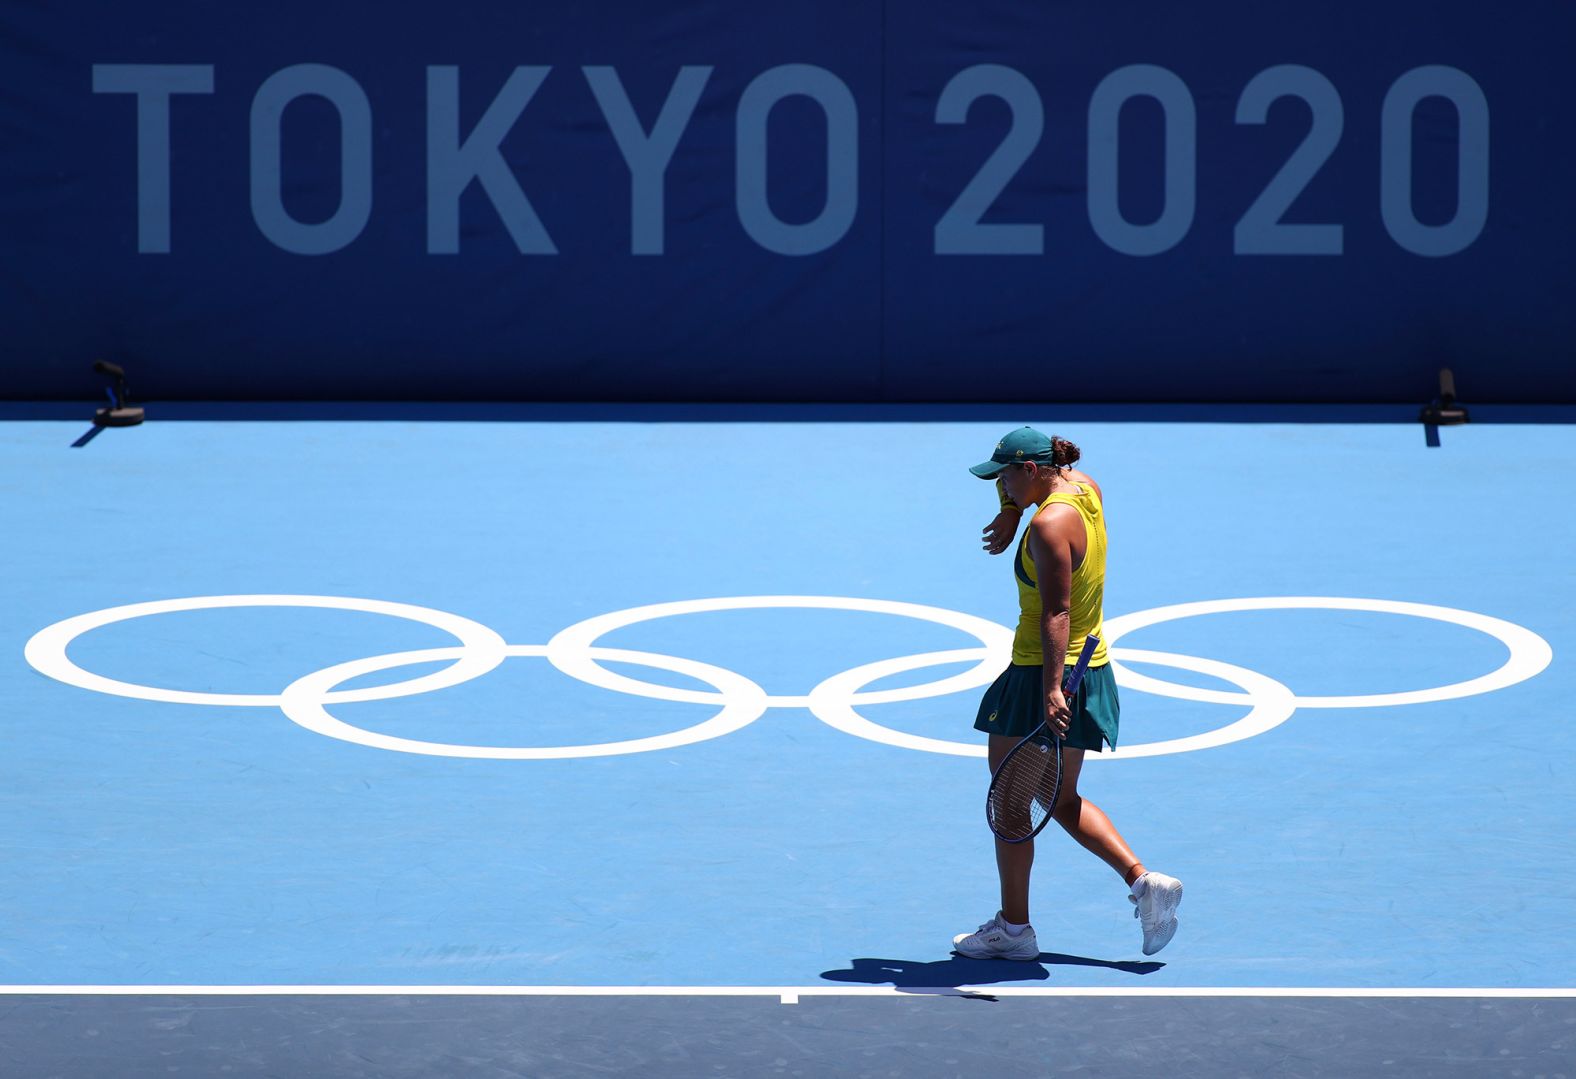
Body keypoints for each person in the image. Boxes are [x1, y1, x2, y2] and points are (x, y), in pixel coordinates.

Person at [952, 427, 1183, 959]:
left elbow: (1057, 611)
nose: (1001, 486)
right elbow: (1031, 483)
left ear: (1031, 471)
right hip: (1090, 667)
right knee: (1057, 797)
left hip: (1042, 673)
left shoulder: (1049, 527)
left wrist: (1051, 689)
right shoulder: (1084, 488)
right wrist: (1011, 509)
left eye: (1006, 477)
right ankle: (1146, 883)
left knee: (1010, 804)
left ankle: (1014, 931)